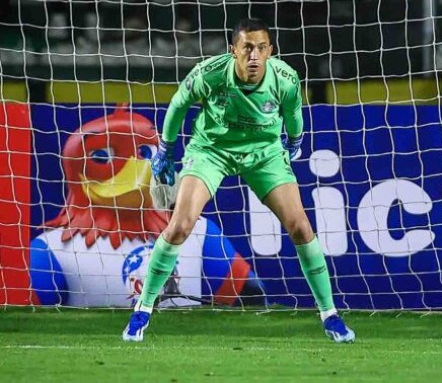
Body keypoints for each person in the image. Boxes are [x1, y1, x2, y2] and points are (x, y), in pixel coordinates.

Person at [122, 17, 355, 343]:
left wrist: (295, 143)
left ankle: (330, 315)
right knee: (180, 225)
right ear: (234, 50)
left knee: (300, 226)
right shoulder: (211, 74)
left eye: (261, 48)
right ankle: (142, 311)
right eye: (247, 48)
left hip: (264, 154)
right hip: (211, 152)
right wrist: (165, 150)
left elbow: (294, 113)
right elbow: (178, 104)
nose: (254, 56)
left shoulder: (285, 78)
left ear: (270, 50)